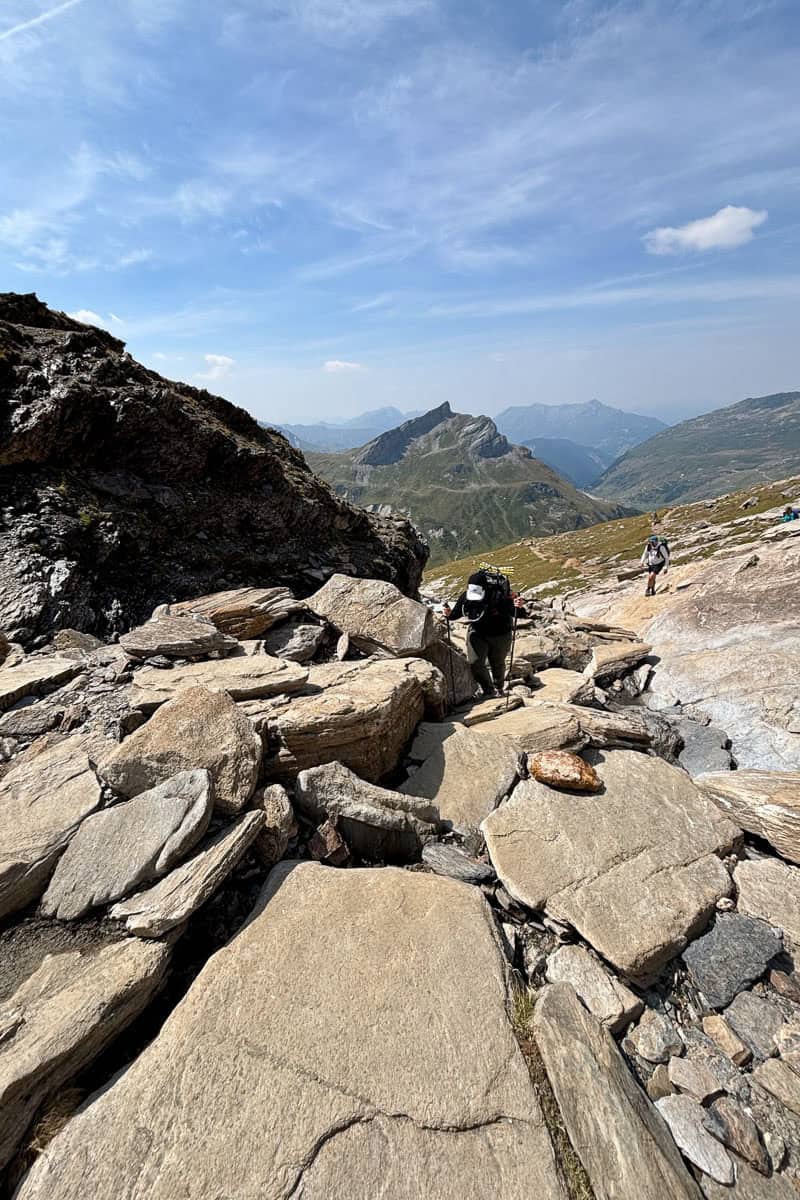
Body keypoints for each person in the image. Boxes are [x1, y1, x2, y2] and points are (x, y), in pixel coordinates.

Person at [443, 570, 526, 698]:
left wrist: (518, 606)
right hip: (478, 632)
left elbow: (519, 614)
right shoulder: (467, 596)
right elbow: (455, 614)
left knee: (497, 663)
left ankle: (498, 687)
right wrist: (448, 614)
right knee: (475, 663)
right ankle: (488, 690)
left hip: (500, 633)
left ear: (485, 589)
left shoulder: (499, 597)